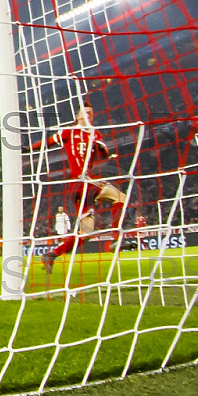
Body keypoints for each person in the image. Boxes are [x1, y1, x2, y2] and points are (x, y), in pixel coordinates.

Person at [24, 101, 134, 274]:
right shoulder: (70, 131)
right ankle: (116, 238)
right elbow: (49, 142)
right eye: (85, 112)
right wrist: (28, 149)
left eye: (91, 112)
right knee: (120, 197)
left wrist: (98, 145)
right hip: (80, 181)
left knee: (86, 233)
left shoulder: (95, 133)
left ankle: (52, 255)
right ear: (78, 116)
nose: (89, 115)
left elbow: (104, 153)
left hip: (84, 184)